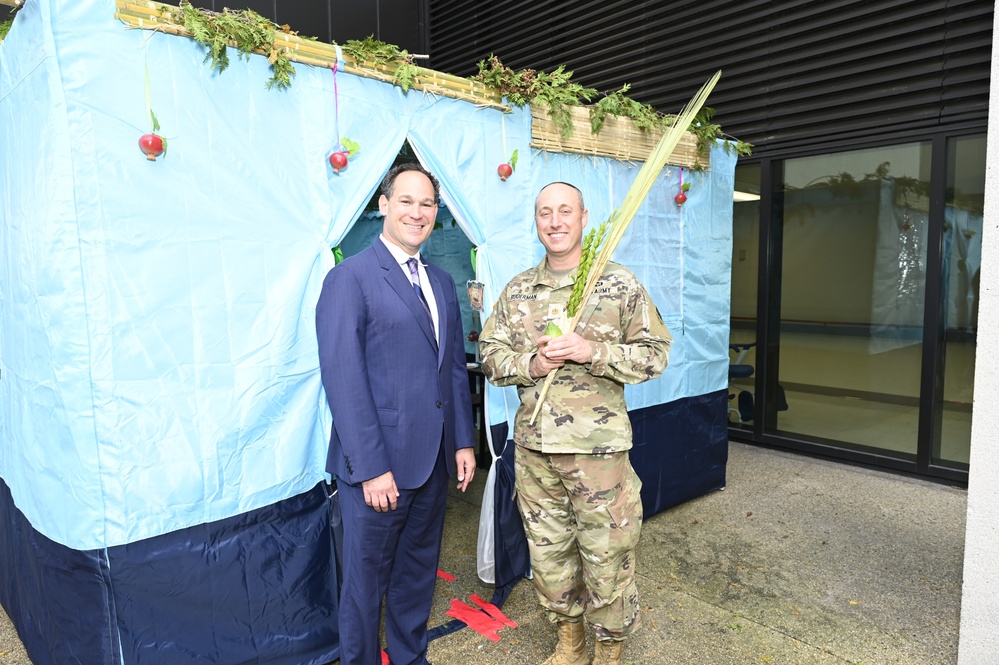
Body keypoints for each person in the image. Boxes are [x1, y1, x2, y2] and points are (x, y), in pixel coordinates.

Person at [477, 182, 671, 665]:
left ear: (584, 217)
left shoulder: (617, 284)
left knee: (607, 557)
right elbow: (489, 355)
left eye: (565, 211)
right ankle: (570, 640)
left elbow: (655, 355)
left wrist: (593, 352)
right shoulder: (520, 289)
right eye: (545, 212)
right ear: (537, 221)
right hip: (535, 453)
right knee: (549, 556)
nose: (555, 221)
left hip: (599, 456)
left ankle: (609, 648)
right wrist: (531, 366)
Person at [316, 163, 476, 665]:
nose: (417, 212)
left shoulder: (443, 283)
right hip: (376, 470)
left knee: (416, 573)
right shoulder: (350, 279)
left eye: (427, 204)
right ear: (383, 205)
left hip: (431, 464)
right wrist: (371, 468)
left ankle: (410, 656)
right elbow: (344, 379)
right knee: (365, 588)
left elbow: (451, 368)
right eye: (406, 200)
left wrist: (463, 442)